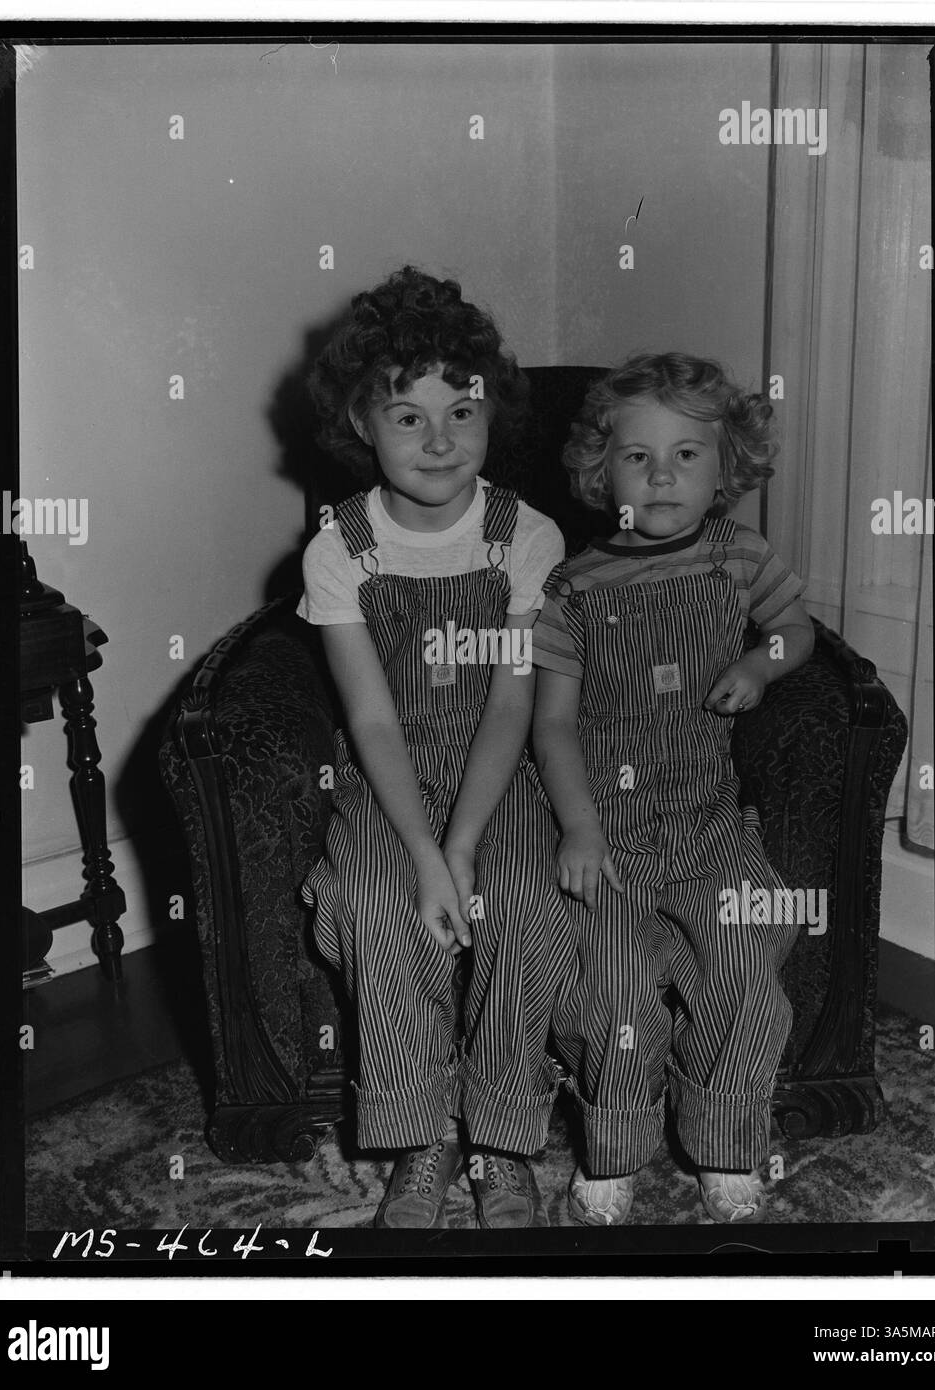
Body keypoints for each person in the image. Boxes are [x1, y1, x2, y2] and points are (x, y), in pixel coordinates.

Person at [299, 266, 569, 1229]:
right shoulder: (340, 549)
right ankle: (423, 1136)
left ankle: (500, 1135)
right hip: (390, 776)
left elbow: (512, 709)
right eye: (407, 417)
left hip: (499, 775)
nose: (441, 438)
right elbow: (371, 720)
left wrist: (463, 846)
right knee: (380, 899)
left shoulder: (523, 537)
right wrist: (422, 852)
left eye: (462, 410)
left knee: (528, 898)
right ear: (360, 428)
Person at [531, 351, 815, 1226]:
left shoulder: (742, 556)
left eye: (687, 456)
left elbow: (795, 629)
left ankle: (728, 1141)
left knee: (744, 956)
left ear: (726, 469)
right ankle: (614, 1143)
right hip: (607, 826)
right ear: (598, 467)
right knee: (611, 978)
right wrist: (579, 832)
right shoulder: (569, 588)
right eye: (637, 456)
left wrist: (758, 669)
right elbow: (550, 725)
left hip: (707, 818)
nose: (661, 476)